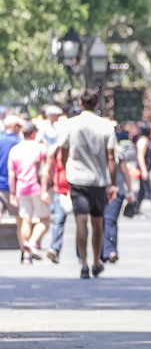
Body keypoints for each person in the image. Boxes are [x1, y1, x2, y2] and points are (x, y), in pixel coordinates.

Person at [56, 91, 118, 279]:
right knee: (97, 222)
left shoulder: (70, 124)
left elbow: (63, 152)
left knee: (80, 221)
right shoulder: (106, 125)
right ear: (97, 104)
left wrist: (66, 168)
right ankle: (96, 262)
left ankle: (83, 264)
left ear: (81, 104)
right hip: (98, 181)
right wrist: (113, 183)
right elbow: (111, 157)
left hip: (77, 179)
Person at [42, 106, 81, 263]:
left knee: (81, 221)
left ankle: (81, 255)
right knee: (58, 219)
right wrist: (44, 189)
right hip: (61, 189)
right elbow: (48, 168)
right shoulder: (56, 148)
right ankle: (55, 249)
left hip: (78, 187)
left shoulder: (79, 145)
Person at [8, 122, 50, 264]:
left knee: (26, 220)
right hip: (37, 188)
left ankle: (26, 255)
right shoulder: (40, 148)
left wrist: (12, 193)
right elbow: (45, 170)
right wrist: (45, 190)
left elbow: (11, 174)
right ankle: (31, 242)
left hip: (22, 189)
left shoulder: (15, 149)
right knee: (45, 220)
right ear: (33, 134)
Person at [102, 133, 135, 263]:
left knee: (110, 220)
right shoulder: (96, 148)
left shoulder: (119, 151)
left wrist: (130, 192)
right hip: (99, 189)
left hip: (117, 190)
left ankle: (110, 251)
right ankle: (102, 251)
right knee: (100, 220)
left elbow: (125, 172)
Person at [0, 116, 22, 228]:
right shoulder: (19, 142)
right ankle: (23, 240)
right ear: (15, 127)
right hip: (14, 187)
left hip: (1, 185)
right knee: (21, 221)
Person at [133, 121, 151, 214]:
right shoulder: (143, 141)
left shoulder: (146, 140)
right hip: (143, 169)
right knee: (149, 188)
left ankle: (135, 209)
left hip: (146, 169)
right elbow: (140, 156)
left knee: (142, 190)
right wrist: (144, 170)